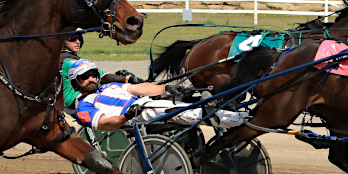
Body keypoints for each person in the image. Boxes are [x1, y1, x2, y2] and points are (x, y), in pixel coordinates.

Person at [68, 58, 245, 131]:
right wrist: (126, 115)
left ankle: (234, 112)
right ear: (76, 82)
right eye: (85, 77)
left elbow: (140, 89)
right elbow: (106, 123)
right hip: (135, 116)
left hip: (145, 105)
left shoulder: (112, 86)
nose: (91, 78)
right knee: (170, 108)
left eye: (93, 74)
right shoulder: (84, 107)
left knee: (184, 97)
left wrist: (166, 89)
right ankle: (241, 120)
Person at [59, 32, 142, 109]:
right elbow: (103, 77)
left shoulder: (64, 57)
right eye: (73, 39)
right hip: (77, 99)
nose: (77, 42)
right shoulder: (68, 61)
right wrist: (127, 79)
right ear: (64, 41)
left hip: (81, 96)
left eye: (79, 39)